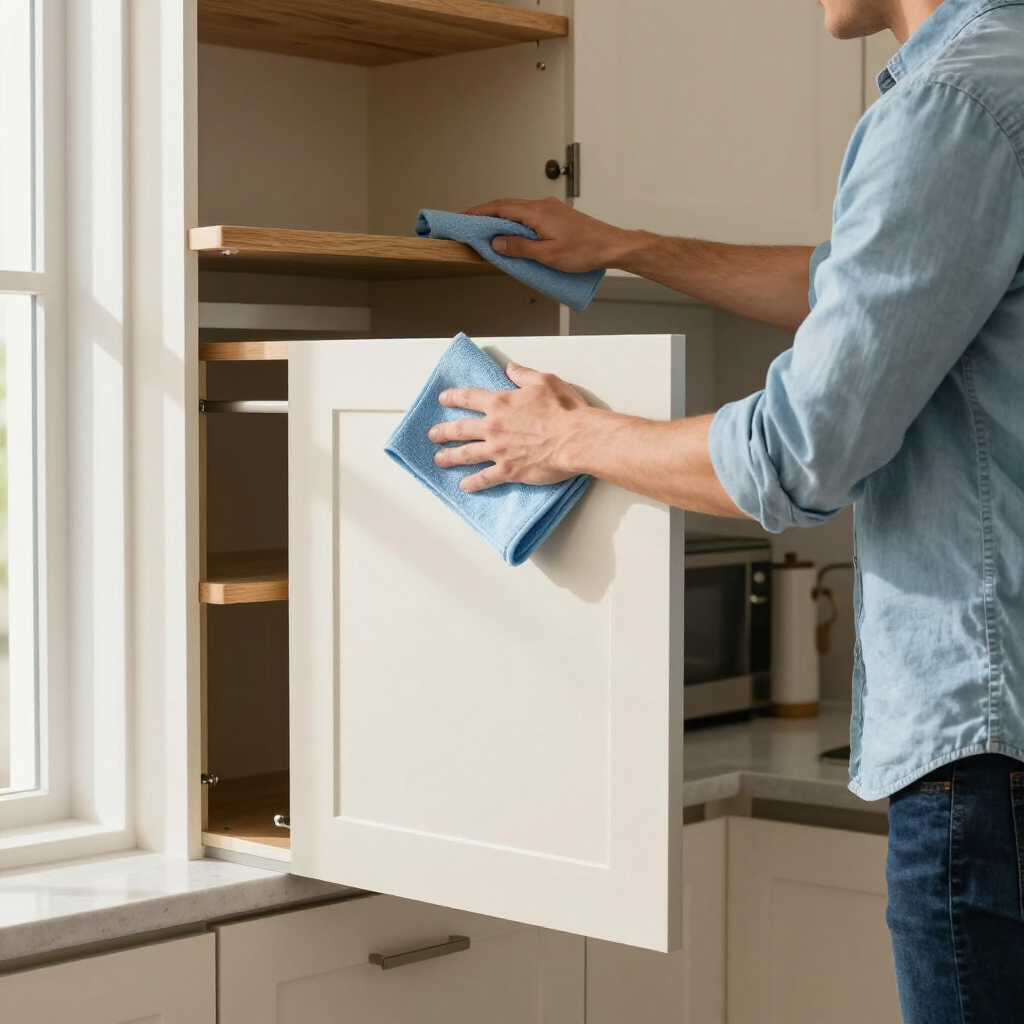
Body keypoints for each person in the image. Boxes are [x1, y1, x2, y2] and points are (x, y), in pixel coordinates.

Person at [425, 1, 1024, 1021]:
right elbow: (866, 288)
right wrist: (628, 246)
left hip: (984, 752)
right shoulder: (995, 82)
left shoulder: (949, 104)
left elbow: (797, 455)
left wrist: (565, 437)